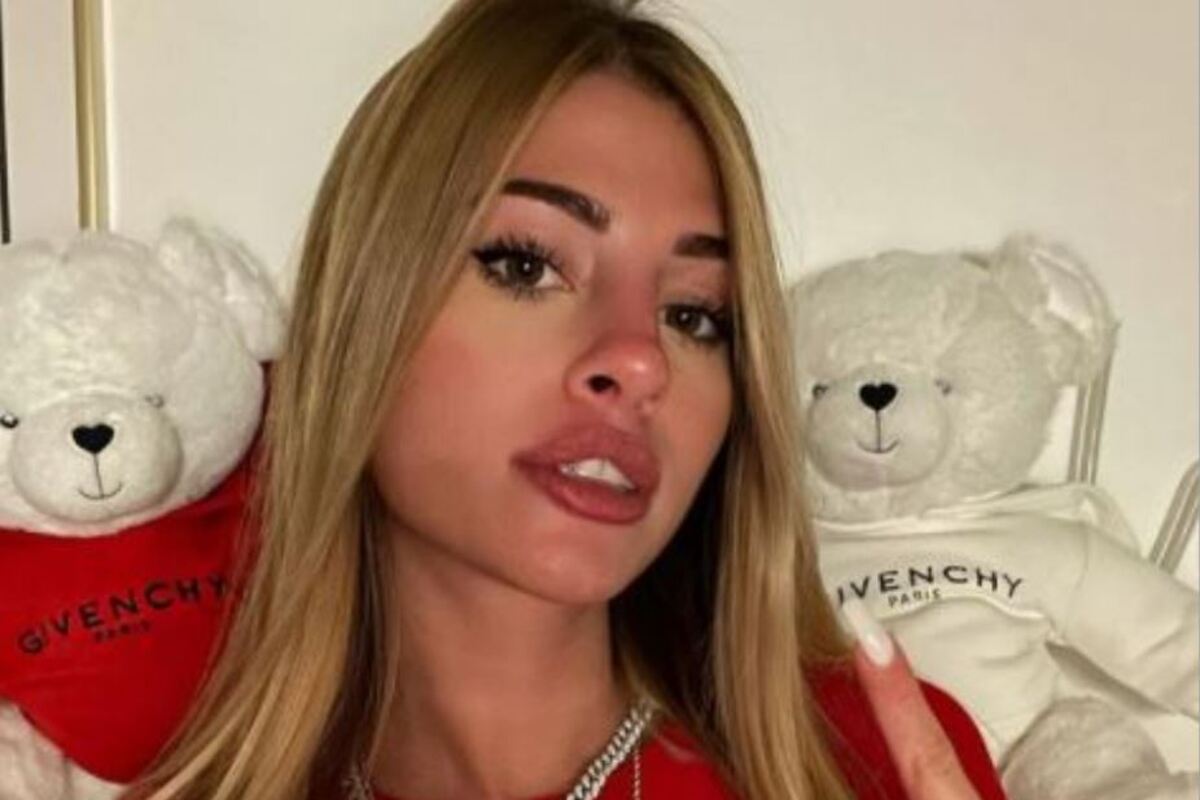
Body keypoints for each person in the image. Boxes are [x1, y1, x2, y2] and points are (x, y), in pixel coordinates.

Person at [135, 0, 1006, 798]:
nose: (641, 361)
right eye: (525, 265)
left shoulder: (872, 759)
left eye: (694, 315)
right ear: (363, 310)